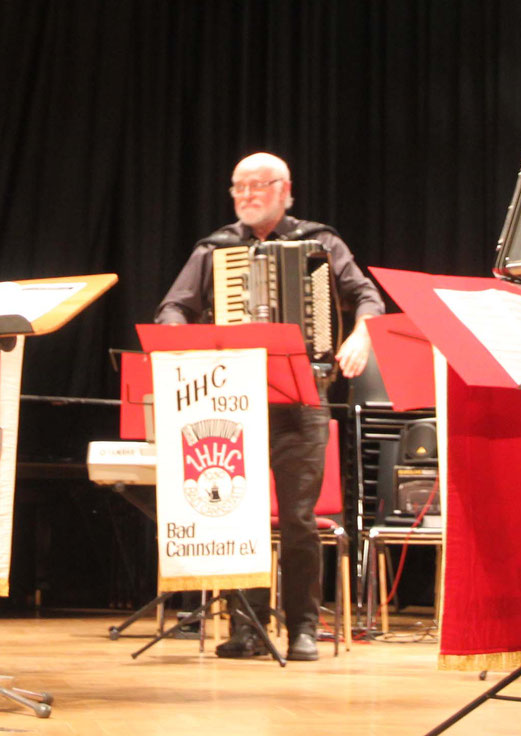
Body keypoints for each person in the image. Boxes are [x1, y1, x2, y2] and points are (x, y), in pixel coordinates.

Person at [156, 152, 384, 662]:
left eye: (259, 185)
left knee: (298, 518)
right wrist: (178, 337)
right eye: (239, 187)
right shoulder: (216, 248)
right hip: (233, 399)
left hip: (302, 397)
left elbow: (368, 297)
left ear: (286, 190)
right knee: (239, 513)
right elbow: (175, 305)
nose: (248, 195)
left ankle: (303, 626)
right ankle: (250, 626)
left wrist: (362, 334)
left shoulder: (320, 242)